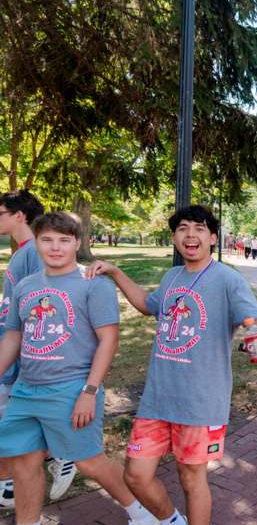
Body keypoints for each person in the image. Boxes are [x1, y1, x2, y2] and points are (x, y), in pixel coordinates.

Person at [88, 206, 257, 525]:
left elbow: (251, 317)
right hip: (158, 399)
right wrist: (116, 272)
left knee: (190, 478)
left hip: (200, 401)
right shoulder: (172, 276)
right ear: (174, 237)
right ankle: (172, 521)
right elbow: (149, 306)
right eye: (183, 228)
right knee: (135, 475)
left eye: (199, 228)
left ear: (213, 238)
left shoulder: (227, 279)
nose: (191, 234)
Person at [0, 212, 156, 525]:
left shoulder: (92, 284)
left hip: (72, 388)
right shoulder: (27, 286)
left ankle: (141, 514)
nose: (55, 247)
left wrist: (90, 390)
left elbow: (108, 340)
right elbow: (14, 335)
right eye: (47, 239)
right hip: (26, 390)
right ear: (37, 244)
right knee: (23, 461)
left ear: (77, 243)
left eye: (64, 240)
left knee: (89, 462)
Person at [0, 192, 79, 508]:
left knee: (12, 421)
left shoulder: (32, 250)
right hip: (12, 346)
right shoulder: (22, 251)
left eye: (1, 212)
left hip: (21, 354)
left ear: (19, 216)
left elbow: (46, 300)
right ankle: (11, 487)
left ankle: (62, 450)